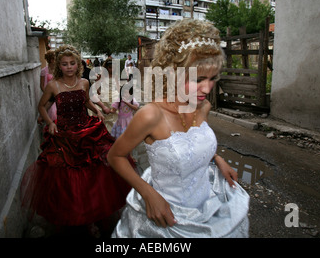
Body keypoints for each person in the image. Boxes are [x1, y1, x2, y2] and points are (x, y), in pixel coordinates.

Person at [107, 19, 250, 238]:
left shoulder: (203, 106)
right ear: (173, 72)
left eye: (212, 78)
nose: (207, 88)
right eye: (199, 79)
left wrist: (217, 158)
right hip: (170, 217)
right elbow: (115, 156)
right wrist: (148, 194)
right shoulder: (151, 115)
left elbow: (195, 143)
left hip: (209, 205)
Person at [20, 45, 133, 237]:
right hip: (64, 136)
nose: (69, 67)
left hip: (86, 132)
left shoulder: (84, 83)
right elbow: (41, 107)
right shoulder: (53, 85)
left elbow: (86, 101)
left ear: (78, 64)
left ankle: (91, 214)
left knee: (93, 175)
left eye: (72, 63)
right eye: (64, 64)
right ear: (59, 66)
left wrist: (96, 110)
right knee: (66, 179)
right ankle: (73, 215)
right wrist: (50, 122)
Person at [40, 50, 57, 121]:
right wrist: (47, 94)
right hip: (49, 96)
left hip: (57, 94)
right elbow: (41, 85)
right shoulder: (44, 71)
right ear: (51, 60)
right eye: (55, 58)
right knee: (51, 112)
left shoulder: (58, 70)